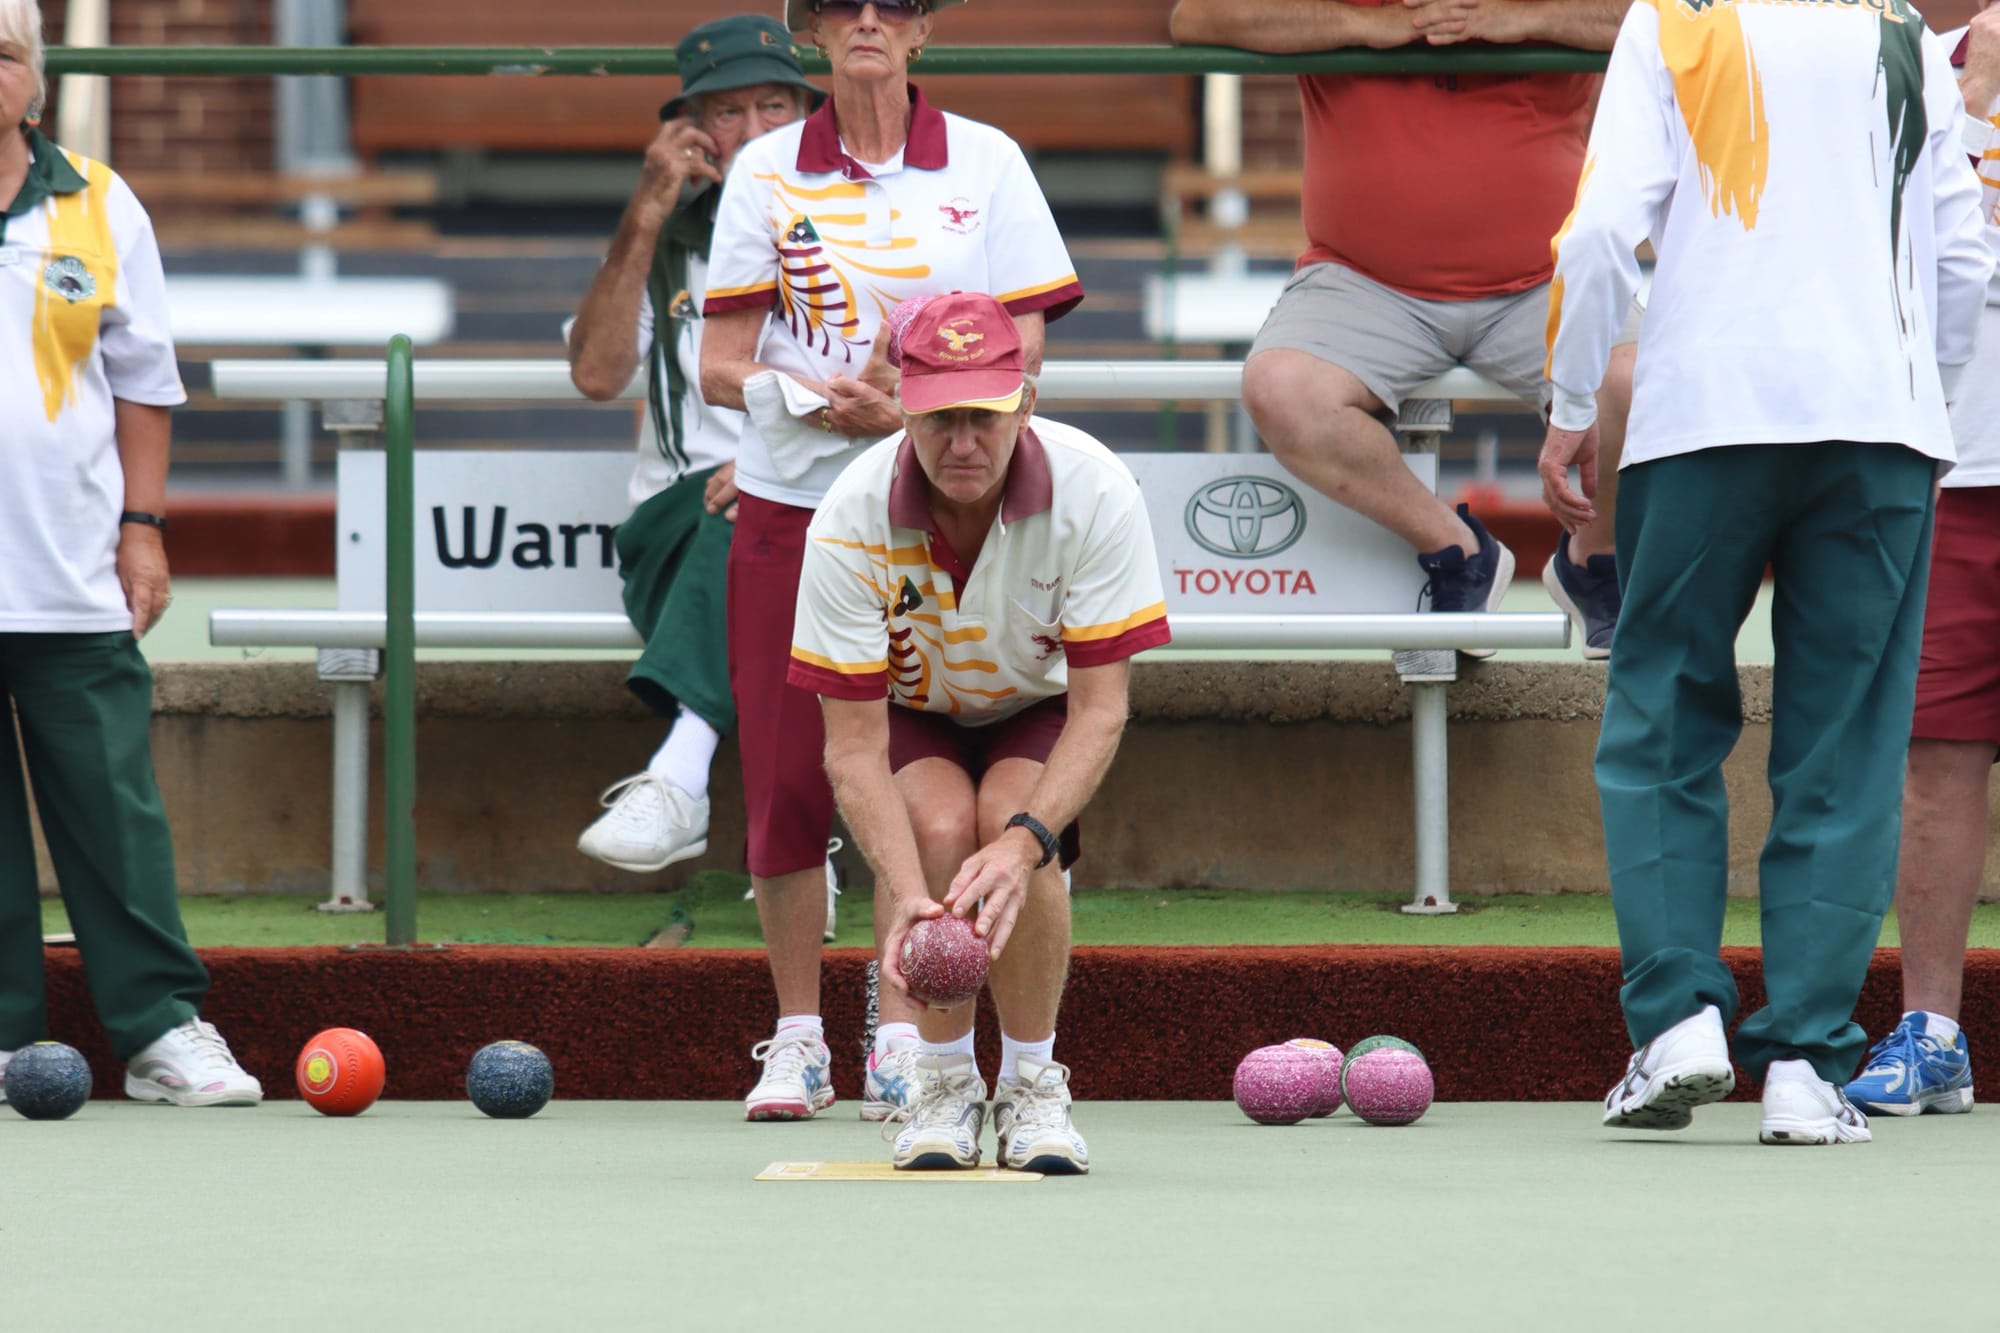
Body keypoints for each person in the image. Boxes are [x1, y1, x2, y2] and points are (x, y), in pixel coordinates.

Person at [1541, 0, 1992, 1144]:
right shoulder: (1897, 27)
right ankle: (1803, 1063)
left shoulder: (1674, 18)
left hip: (1705, 415)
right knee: (1843, 743)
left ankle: (1676, 1024)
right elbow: (1955, 254)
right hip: (1878, 425)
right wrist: (1921, 397)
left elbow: (1597, 234)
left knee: (1660, 719)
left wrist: (1564, 403)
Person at [699, 0, 1083, 1122]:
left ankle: (898, 1036)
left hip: (943, 505)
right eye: (837, 2)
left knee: (905, 780)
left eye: (893, 3)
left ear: (923, 31)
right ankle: (793, 1038)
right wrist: (818, 398)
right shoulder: (766, 170)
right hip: (793, 505)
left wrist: (905, 413)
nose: (864, 20)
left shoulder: (989, 161)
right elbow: (720, 361)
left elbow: (1025, 357)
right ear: (808, 28)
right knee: (782, 779)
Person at [790, 292, 1168, 1172]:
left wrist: (1031, 841)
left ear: (1026, 403)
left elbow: (1101, 708)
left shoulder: (1097, 488)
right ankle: (945, 1085)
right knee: (933, 833)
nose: (963, 442)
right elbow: (849, 747)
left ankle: (1034, 1085)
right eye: (941, 417)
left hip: (1037, 706)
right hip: (912, 709)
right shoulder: (848, 516)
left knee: (1005, 830)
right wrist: (902, 887)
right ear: (905, 407)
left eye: (986, 417)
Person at [1168, 0, 1638, 659]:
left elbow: (1668, 16)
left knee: (1638, 378)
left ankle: (1593, 559)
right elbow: (1197, 18)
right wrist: (1366, 29)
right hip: (1362, 279)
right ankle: (1457, 547)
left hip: (1549, 274)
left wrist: (1526, 18)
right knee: (1281, 389)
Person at [0, 0, 262, 1107]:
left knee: (115, 811)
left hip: (68, 566)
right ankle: (9, 1041)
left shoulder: (99, 203)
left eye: (5, 53)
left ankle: (161, 1027)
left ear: (38, 80)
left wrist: (143, 528)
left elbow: (146, 384)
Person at [565, 15, 843, 941]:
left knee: (771, 513)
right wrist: (647, 208)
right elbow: (599, 375)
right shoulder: (671, 241)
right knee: (757, 524)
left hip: (824, 511)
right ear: (693, 132)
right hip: (676, 531)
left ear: (810, 112)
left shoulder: (853, 226)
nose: (758, 127)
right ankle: (807, 851)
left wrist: (767, 452)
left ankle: (682, 775)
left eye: (776, 103)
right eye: (729, 112)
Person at [1844, 3, 2000, 1119]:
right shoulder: (1905, 69)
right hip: (1955, 459)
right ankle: (1929, 1028)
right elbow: (1869, 244)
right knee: (1935, 759)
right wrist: (1977, 106)